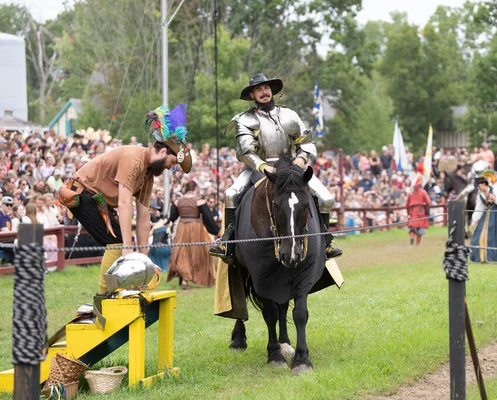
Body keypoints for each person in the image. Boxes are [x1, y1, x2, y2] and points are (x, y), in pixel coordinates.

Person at [58, 104, 192, 294]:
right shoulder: (133, 158)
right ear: (163, 152)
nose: (171, 168)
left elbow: (143, 215)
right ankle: (103, 297)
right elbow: (123, 203)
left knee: (120, 242)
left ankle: (116, 292)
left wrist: (144, 259)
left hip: (98, 201)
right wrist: (128, 249)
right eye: (172, 162)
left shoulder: (148, 174)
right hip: (82, 194)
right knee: (119, 243)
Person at [209, 73, 342, 262]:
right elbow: (244, 151)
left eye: (266, 88)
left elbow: (305, 141)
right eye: (258, 90)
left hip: (291, 168)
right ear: (253, 95)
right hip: (259, 168)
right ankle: (227, 243)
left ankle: (326, 243)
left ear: (272, 91)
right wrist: (263, 166)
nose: (264, 92)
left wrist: (302, 157)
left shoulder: (290, 115)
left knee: (326, 198)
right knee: (231, 194)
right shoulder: (245, 120)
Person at [169, 180, 220, 289]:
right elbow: (208, 219)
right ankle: (188, 280)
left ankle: (184, 280)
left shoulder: (178, 201)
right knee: (197, 253)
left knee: (183, 252)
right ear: (196, 189)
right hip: (195, 227)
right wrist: (216, 230)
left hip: (182, 227)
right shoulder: (199, 201)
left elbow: (172, 217)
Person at [405, 178, 431, 245]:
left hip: (413, 211)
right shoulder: (423, 192)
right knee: (420, 226)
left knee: (412, 226)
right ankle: (417, 243)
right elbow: (428, 202)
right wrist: (425, 204)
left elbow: (407, 204)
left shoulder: (410, 193)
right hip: (421, 211)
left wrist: (408, 212)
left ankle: (412, 236)